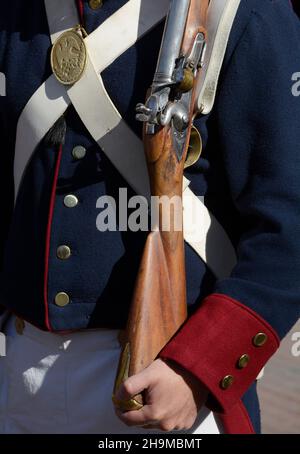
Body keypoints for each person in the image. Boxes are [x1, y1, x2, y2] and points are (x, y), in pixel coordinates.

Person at [0, 0, 299, 435]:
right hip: (18, 371)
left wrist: (198, 368)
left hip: (166, 379)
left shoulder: (244, 13)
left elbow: (288, 226)